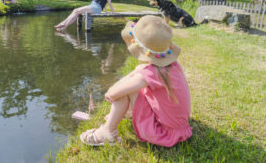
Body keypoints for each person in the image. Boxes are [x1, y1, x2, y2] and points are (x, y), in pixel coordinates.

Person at [80, 15, 192, 147]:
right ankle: (117, 116)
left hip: (162, 133)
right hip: (181, 129)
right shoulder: (171, 66)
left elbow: (112, 94)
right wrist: (138, 70)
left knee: (124, 92)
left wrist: (133, 74)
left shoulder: (151, 73)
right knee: (135, 81)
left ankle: (106, 133)